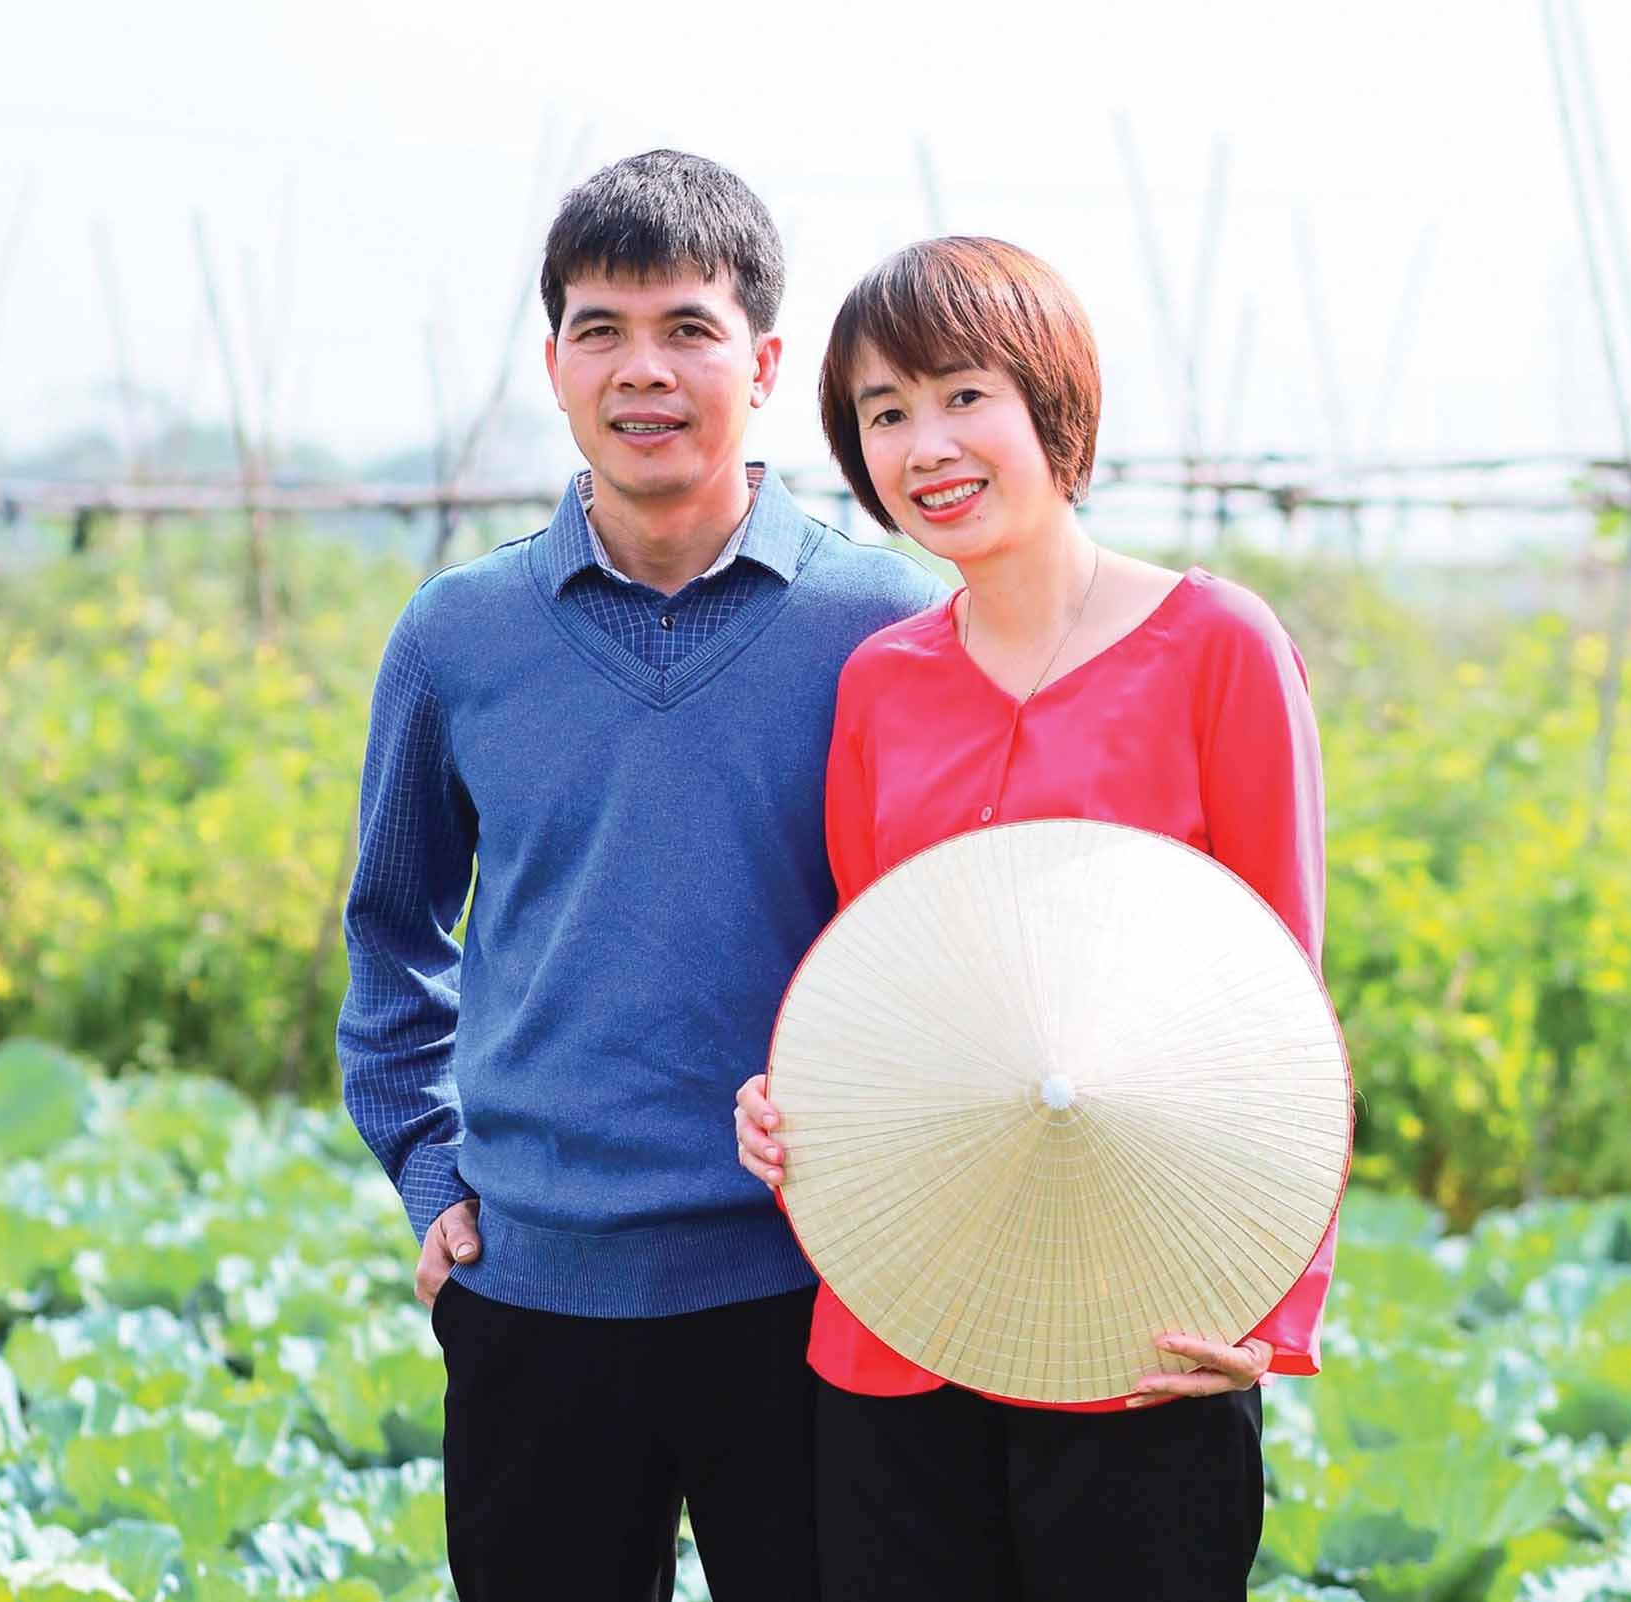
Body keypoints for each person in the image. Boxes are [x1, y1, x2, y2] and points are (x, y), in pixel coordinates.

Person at [337, 150, 943, 1602]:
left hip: (811, 1298)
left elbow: (952, 946)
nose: (643, 370)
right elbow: (391, 935)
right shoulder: (456, 636)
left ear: (768, 360)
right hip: (534, 1300)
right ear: (553, 365)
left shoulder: (891, 621)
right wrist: (431, 1173)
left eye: (688, 328)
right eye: (600, 330)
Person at [734, 235, 1337, 1601]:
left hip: (1139, 1328)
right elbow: (865, 983)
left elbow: (1285, 993)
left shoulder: (1217, 645)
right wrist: (785, 1101)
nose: (926, 443)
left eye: (961, 394)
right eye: (884, 414)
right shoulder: (881, 683)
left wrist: (1267, 1307)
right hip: (896, 1317)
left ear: (1052, 404)